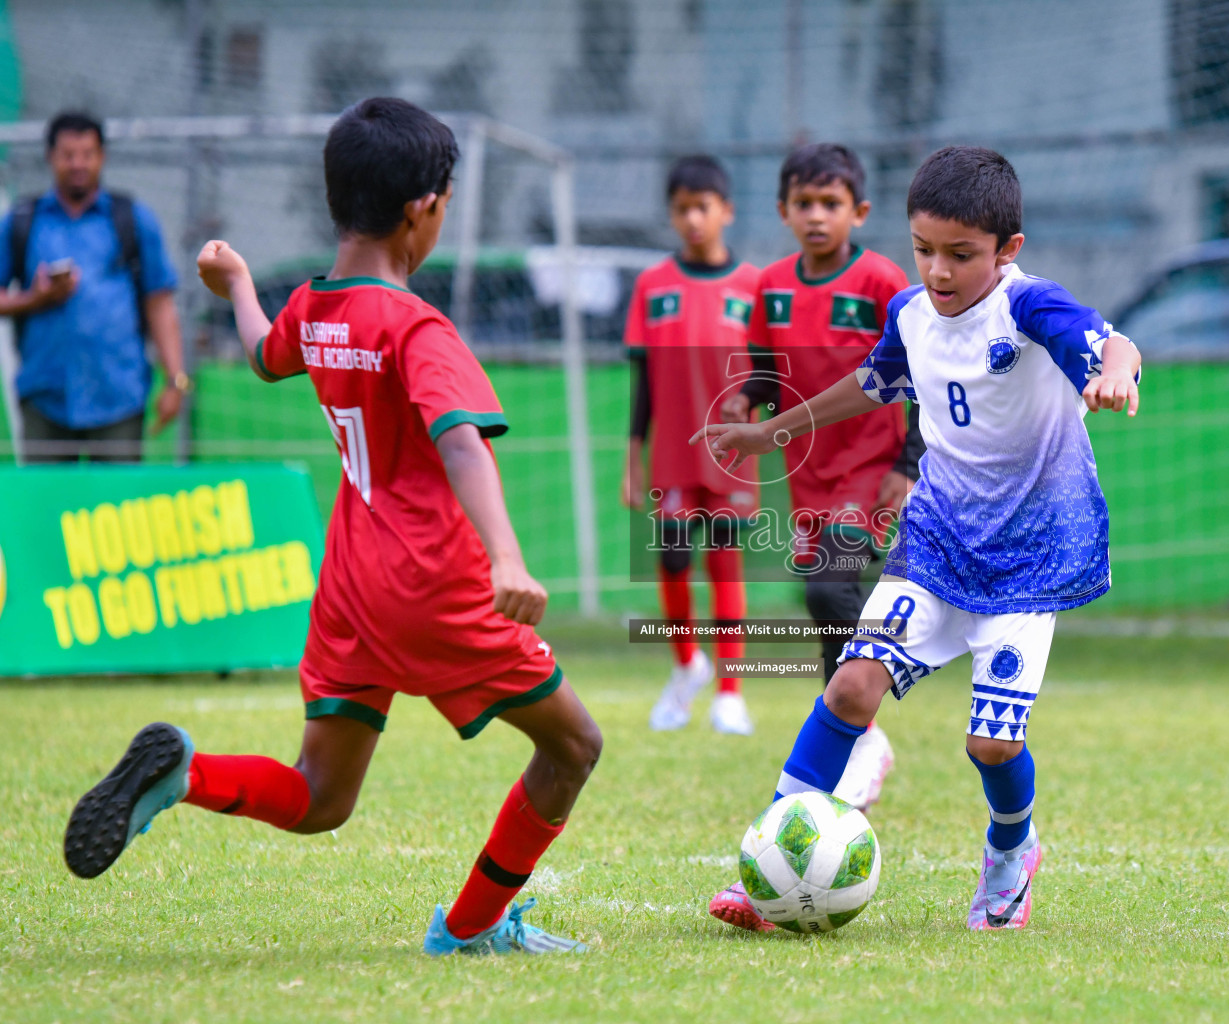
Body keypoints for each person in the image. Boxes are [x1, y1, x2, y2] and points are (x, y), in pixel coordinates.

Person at [61, 98, 600, 957]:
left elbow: (263, 352)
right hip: (434, 585)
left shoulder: (315, 305)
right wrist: (508, 558)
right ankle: (469, 928)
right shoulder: (417, 326)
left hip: (349, 588)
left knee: (321, 797)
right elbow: (461, 442)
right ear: (424, 208)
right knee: (573, 746)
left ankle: (182, 776)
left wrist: (238, 284)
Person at [698, 146, 1141, 933]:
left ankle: (1013, 848)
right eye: (925, 250)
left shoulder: (1029, 307)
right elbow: (868, 384)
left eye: (961, 256)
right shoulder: (910, 314)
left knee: (991, 747)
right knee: (849, 687)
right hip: (936, 542)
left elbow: (1114, 345)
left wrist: (1115, 374)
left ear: (1008, 252)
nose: (938, 272)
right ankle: (769, 861)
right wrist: (774, 432)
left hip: (1027, 562)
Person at [720, 143, 921, 811]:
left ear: (858, 211)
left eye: (830, 204)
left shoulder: (882, 283)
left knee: (828, 587)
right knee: (827, 596)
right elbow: (762, 369)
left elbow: (924, 369)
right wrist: (748, 398)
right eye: (803, 204)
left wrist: (908, 462)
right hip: (806, 473)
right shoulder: (771, 288)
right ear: (783, 211)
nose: (816, 216)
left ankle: (859, 730)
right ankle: (855, 730)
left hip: (870, 468)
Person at [623, 155, 761, 736]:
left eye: (702, 207)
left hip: (733, 453)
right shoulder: (653, 286)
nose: (692, 219)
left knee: (725, 562)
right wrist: (633, 456)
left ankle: (730, 692)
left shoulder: (755, 286)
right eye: (681, 209)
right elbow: (643, 382)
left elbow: (771, 377)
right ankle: (687, 666)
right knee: (673, 560)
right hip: (674, 451)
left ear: (725, 211)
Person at [0, 111, 187, 463]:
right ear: (50, 157)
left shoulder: (132, 219)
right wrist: (34, 299)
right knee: (47, 508)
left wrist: (175, 380)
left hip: (118, 395)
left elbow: (160, 302)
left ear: (102, 156)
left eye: (87, 154)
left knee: (115, 510)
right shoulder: (23, 220)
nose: (78, 164)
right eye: (68, 155)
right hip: (45, 394)